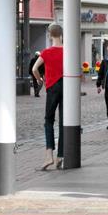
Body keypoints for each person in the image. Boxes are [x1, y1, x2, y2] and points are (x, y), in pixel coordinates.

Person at [32, 24, 64, 170]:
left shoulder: (46, 52)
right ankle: (60, 156)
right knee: (64, 121)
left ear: (50, 35)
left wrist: (40, 80)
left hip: (52, 87)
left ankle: (49, 155)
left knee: (49, 120)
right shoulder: (67, 51)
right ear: (61, 34)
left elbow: (34, 69)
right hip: (66, 86)